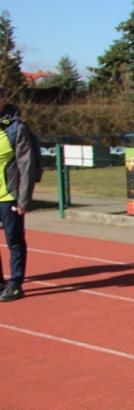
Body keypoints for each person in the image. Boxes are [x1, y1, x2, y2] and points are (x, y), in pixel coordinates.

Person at [0, 87, 40, 302]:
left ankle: (15, 284)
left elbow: (27, 166)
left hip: (9, 196)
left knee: (14, 240)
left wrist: (24, 199)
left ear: (4, 99)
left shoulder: (16, 129)